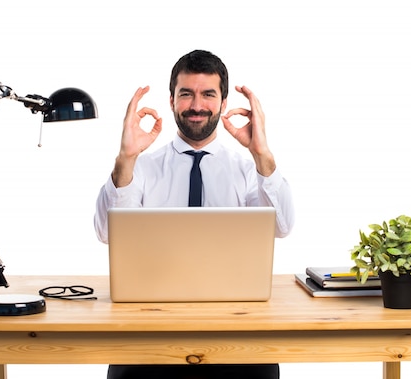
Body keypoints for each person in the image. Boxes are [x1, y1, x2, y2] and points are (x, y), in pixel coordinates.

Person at [93, 49, 295, 379]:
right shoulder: (140, 167)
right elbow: (106, 233)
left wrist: (262, 154)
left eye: (208, 94)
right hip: (150, 327)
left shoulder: (248, 169)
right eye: (186, 94)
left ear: (224, 102)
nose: (197, 106)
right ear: (171, 100)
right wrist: (125, 158)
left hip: (236, 327)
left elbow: (284, 226)